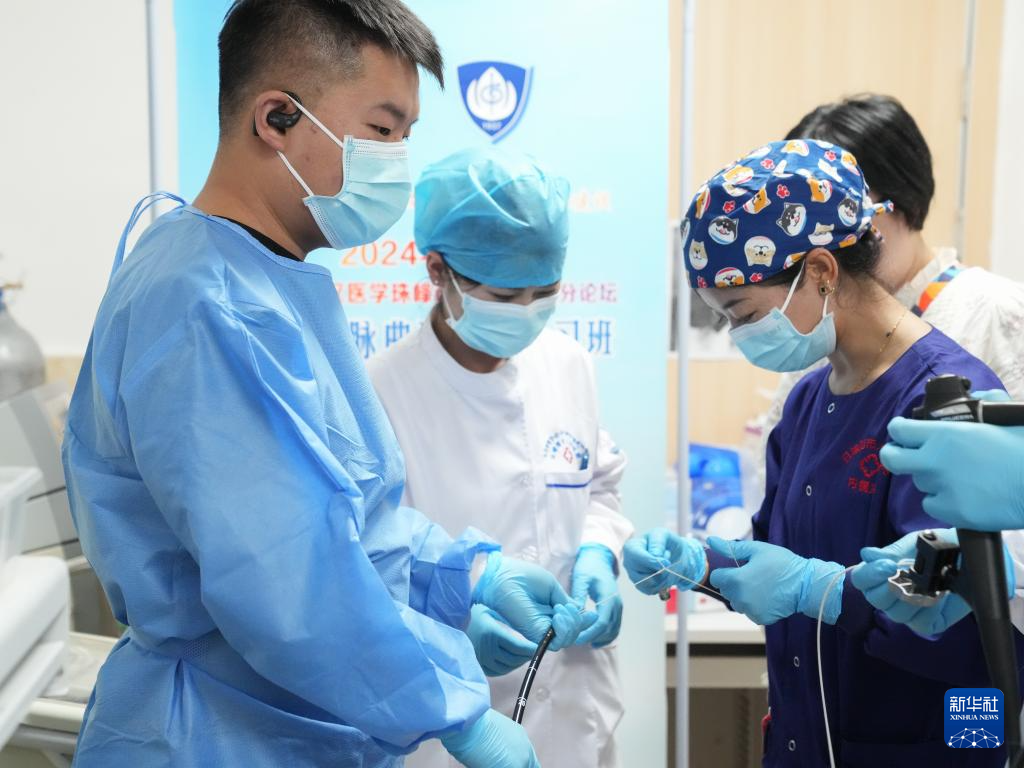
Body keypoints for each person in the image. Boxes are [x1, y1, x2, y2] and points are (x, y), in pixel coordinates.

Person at [62, 3, 591, 766]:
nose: (398, 161)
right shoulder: (207, 305)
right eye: (382, 130)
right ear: (276, 117)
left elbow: (341, 519)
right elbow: (289, 582)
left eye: (407, 135)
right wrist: (455, 711)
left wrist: (468, 574)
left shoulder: (264, 283)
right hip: (216, 736)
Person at [624, 139, 1023, 765]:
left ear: (819, 271)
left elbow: (969, 625)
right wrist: (701, 566)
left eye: (742, 313)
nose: (738, 335)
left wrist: (826, 593)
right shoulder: (810, 400)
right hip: (809, 738)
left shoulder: (947, 400)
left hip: (921, 745)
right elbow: (775, 561)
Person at [369, 146, 633, 768]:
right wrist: (456, 623)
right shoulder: (381, 392)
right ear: (439, 271)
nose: (528, 313)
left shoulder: (567, 364)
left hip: (576, 707)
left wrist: (598, 551)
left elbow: (597, 486)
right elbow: (369, 559)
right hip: (453, 726)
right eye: (506, 295)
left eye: (546, 292)